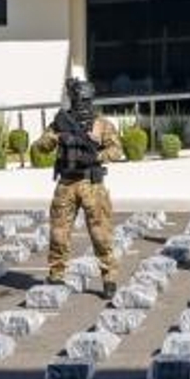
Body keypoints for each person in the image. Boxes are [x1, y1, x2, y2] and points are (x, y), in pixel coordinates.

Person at [36, 77, 123, 298]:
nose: (82, 104)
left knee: (101, 234)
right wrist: (57, 137)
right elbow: (40, 147)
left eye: (85, 100)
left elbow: (116, 150)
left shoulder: (101, 124)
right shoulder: (61, 122)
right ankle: (56, 274)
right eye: (78, 99)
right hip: (66, 183)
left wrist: (97, 155)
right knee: (59, 234)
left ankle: (109, 278)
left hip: (91, 184)